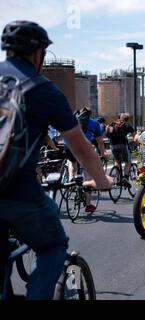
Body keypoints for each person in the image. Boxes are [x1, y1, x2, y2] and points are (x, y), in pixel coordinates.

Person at [0, 20, 112, 300]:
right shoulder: (43, 90)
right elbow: (82, 149)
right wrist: (101, 180)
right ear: (38, 53)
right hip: (18, 192)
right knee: (52, 244)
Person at [67, 107, 108, 213]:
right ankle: (88, 205)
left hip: (70, 146)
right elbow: (100, 142)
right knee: (88, 176)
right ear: (90, 114)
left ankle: (71, 177)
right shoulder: (94, 123)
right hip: (84, 148)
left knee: (71, 161)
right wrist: (103, 152)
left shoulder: (72, 119)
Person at [107, 112, 136, 187]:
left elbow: (108, 134)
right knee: (128, 162)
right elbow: (135, 136)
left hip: (112, 145)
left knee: (117, 161)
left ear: (119, 117)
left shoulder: (112, 124)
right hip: (122, 145)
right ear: (127, 119)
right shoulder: (127, 125)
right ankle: (125, 178)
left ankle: (118, 177)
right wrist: (136, 143)